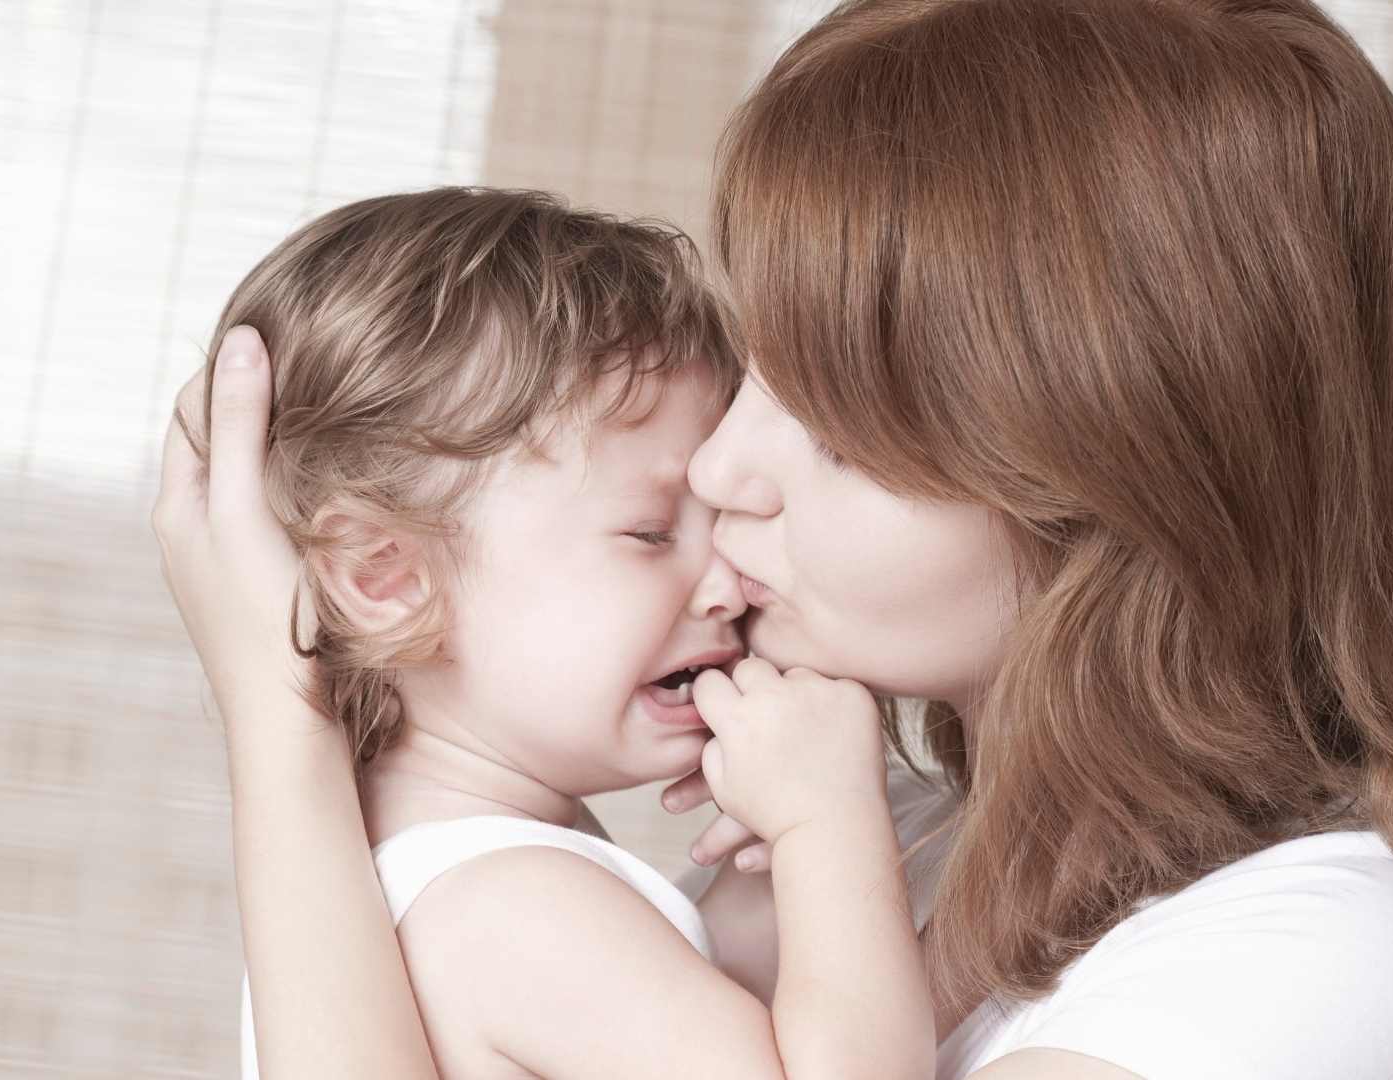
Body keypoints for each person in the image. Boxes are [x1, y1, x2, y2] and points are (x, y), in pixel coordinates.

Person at [154, 1, 1393, 1077]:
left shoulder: (1344, 970)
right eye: (755, 370)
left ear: (1109, 466)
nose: (725, 468)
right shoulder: (877, 838)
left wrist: (289, 750)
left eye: (832, 412)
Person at [171, 186, 933, 1080]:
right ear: (386, 577)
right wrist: (827, 826)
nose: (728, 583)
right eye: (651, 534)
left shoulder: (404, 880)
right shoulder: (517, 906)